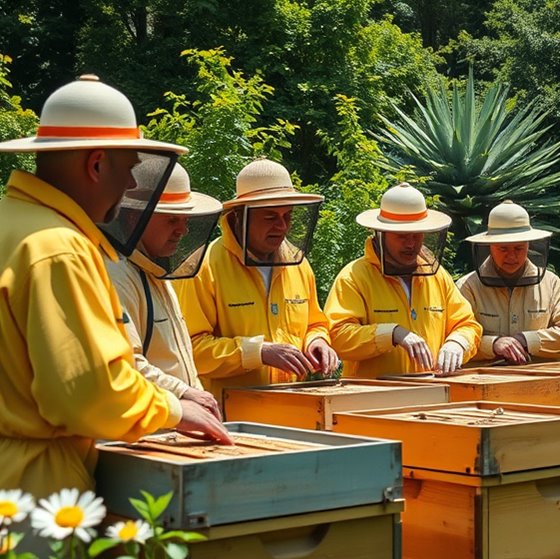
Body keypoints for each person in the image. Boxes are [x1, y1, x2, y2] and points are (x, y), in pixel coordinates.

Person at [0, 75, 230, 496]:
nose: (128, 187)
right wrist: (173, 408)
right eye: (128, 171)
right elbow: (87, 396)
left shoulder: (10, 223)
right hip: (36, 488)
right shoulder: (59, 247)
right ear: (97, 164)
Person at [175, 158, 337, 403]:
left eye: (288, 216)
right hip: (227, 417)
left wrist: (317, 341)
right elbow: (191, 351)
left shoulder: (299, 265)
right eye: (270, 217)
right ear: (241, 216)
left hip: (293, 406)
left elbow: (315, 323)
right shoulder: (204, 266)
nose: (282, 226)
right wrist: (257, 352)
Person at [324, 182, 481, 378]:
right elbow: (337, 337)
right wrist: (391, 334)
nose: (411, 244)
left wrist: (458, 343)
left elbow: (468, 324)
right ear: (380, 234)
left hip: (432, 396)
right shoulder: (354, 276)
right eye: (402, 236)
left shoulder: (439, 276)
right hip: (369, 400)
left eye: (417, 235)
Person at [106, 162, 223, 417]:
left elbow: (180, 360)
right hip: (144, 431)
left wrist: (197, 395)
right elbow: (125, 364)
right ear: (135, 217)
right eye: (172, 219)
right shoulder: (115, 274)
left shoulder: (157, 273)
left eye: (185, 219)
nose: (183, 230)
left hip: (177, 423)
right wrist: (183, 393)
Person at [456, 200, 560, 365]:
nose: (512, 257)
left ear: (529, 245)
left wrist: (527, 340)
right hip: (483, 382)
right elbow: (453, 337)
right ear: (490, 246)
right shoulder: (468, 286)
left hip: (542, 382)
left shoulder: (551, 283)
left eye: (519, 248)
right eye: (503, 249)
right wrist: (492, 345)